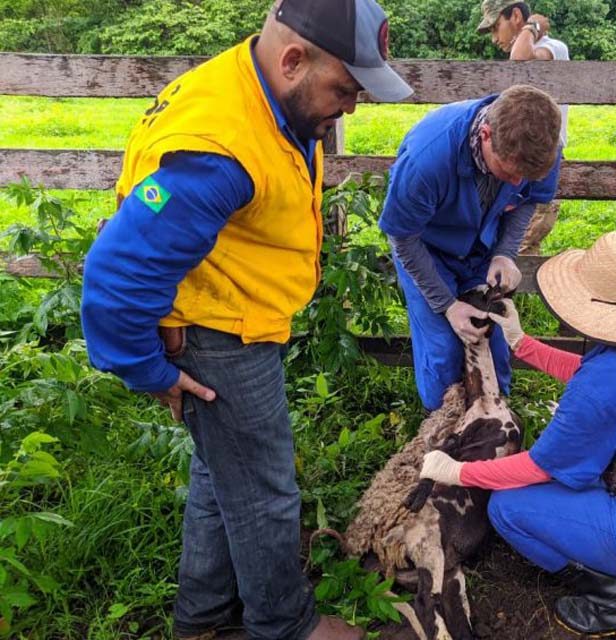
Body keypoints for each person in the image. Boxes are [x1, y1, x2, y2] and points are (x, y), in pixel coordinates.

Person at [79, 1, 412, 638]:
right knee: (264, 491)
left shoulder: (261, 89)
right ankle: (284, 626)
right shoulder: (220, 150)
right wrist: (148, 371)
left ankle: (203, 619)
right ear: (294, 60)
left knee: (223, 472)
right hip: (220, 335)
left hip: (234, 313)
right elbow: (118, 273)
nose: (352, 107)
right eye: (346, 88)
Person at [418, 232, 616, 639]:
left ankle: (613, 601)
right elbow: (600, 379)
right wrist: (522, 344)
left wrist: (459, 472)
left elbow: (539, 467)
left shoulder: (600, 389)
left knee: (509, 508)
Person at [378, 84, 563, 412]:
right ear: (485, 135)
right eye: (510, 172)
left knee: (494, 341)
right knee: (444, 351)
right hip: (426, 251)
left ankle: (494, 423)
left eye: (527, 176)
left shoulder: (543, 148)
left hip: (483, 247)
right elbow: (403, 238)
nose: (517, 183)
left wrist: (505, 252)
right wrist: (448, 305)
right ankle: (444, 427)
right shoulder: (427, 159)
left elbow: (527, 200)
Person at [477, 0, 570, 255]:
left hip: (540, 156)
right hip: (517, 153)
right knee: (506, 235)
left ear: (516, 16)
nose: (495, 38)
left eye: (496, 27)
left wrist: (531, 27)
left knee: (526, 237)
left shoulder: (552, 47)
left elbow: (520, 58)